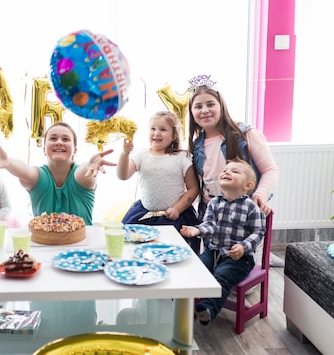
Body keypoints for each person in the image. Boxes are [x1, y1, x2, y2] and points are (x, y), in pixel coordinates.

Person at [188, 83, 281, 266]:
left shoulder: (244, 134)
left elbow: (270, 170)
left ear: (221, 106)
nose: (205, 110)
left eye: (210, 104)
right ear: (192, 113)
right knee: (211, 272)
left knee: (236, 274)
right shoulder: (196, 145)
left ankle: (262, 259)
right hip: (213, 213)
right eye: (198, 106)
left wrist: (259, 195)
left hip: (242, 213)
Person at [180, 159, 266, 326]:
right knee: (195, 269)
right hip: (213, 252)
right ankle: (181, 301)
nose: (226, 172)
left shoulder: (251, 208)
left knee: (222, 276)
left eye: (234, 171)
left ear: (248, 185)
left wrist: (243, 247)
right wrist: (196, 230)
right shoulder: (214, 203)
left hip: (238, 259)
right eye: (225, 170)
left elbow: (258, 232)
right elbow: (210, 225)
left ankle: (208, 308)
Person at [0, 122, 116, 225]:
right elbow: (25, 170)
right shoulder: (39, 177)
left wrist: (89, 165)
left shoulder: (82, 176)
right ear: (44, 149)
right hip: (44, 248)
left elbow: (83, 172)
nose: (59, 142)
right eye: (53, 138)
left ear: (74, 150)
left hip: (81, 248)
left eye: (66, 139)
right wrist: (8, 162)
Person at [117, 111, 201, 253]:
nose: (156, 133)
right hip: (144, 214)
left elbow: (193, 188)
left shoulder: (182, 157)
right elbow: (123, 175)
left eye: (163, 129)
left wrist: (177, 209)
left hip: (174, 216)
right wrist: (125, 154)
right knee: (136, 250)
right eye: (153, 128)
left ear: (174, 135)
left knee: (169, 252)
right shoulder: (140, 155)